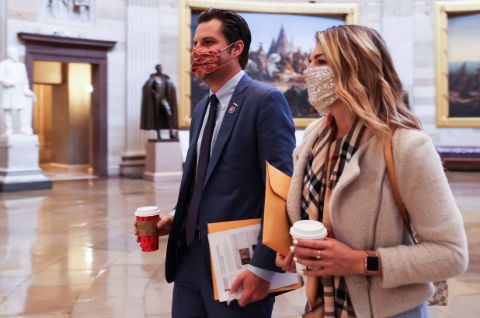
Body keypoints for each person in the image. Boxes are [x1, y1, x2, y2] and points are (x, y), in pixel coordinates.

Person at [276, 25, 468, 317]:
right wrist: (298, 252)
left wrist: (359, 262)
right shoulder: (314, 137)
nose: (308, 71)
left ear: (355, 68)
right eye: (310, 60)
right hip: (321, 308)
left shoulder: (407, 147)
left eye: (322, 62)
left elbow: (451, 254)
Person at [135, 8, 296, 317]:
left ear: (236, 49)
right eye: (195, 43)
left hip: (238, 267)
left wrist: (263, 268)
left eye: (208, 42)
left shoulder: (264, 101)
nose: (197, 51)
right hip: (188, 263)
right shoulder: (202, 109)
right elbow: (202, 182)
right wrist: (175, 218)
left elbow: (282, 190)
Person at [0, 47, 36, 136]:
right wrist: (9, 83)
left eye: (16, 53)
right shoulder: (3, 64)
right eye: (14, 53)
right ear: (9, 54)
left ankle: (23, 128)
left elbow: (25, 79)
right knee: (8, 109)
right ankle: (9, 128)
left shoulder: (21, 65)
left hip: (19, 90)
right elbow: (1, 77)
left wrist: (27, 89)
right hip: (8, 90)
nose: (16, 55)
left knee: (22, 108)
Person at [140, 64, 178, 140]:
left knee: (169, 114)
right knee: (157, 116)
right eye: (158, 68)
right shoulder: (153, 78)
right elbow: (147, 88)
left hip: (164, 99)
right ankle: (158, 134)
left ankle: (171, 133)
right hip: (157, 100)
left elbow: (171, 87)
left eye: (160, 68)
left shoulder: (165, 77)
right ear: (156, 69)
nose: (159, 69)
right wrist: (155, 93)